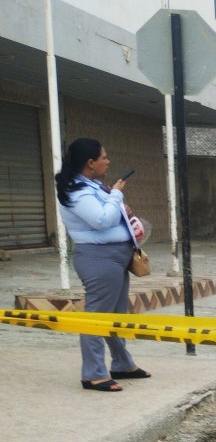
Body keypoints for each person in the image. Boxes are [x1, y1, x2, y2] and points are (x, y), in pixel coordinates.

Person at [55, 138, 151, 392]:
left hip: (116, 257)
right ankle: (93, 374)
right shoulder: (77, 191)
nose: (108, 162)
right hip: (99, 259)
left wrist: (122, 207)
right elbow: (101, 220)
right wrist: (117, 194)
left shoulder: (93, 186)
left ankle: (122, 363)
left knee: (116, 316)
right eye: (104, 157)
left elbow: (112, 214)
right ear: (90, 163)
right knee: (96, 317)